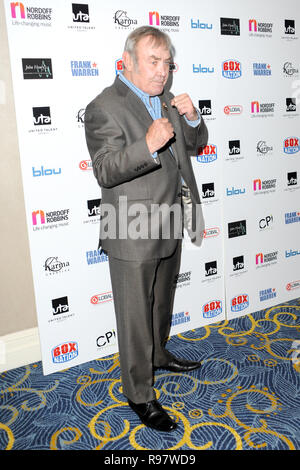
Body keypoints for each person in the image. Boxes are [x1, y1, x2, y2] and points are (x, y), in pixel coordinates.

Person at [85, 26, 208, 432]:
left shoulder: (168, 100)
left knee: (159, 302)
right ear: (128, 62)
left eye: (167, 63)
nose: (163, 72)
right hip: (130, 226)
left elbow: (192, 144)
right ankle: (139, 394)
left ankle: (157, 354)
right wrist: (148, 145)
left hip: (168, 218)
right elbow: (104, 169)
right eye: (153, 63)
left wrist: (193, 118)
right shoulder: (104, 106)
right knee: (135, 314)